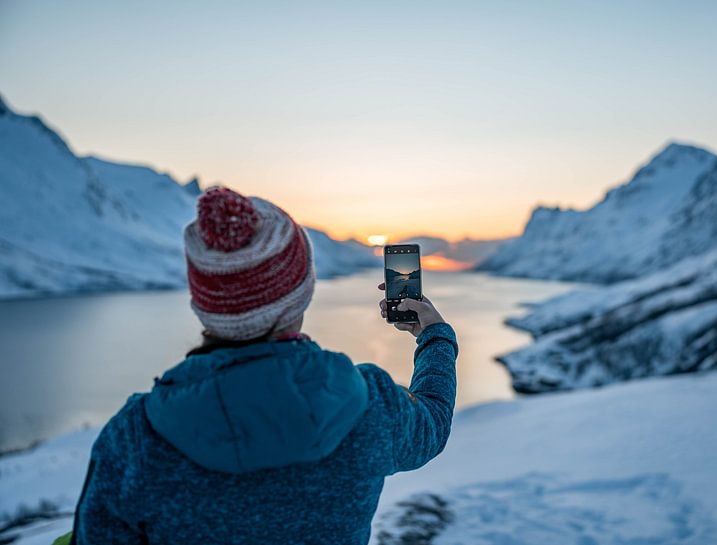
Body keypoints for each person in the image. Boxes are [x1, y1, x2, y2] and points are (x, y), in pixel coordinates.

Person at [69, 187, 458, 544]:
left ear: (204, 303)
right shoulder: (372, 407)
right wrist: (434, 335)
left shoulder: (136, 436)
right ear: (302, 293)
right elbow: (433, 424)